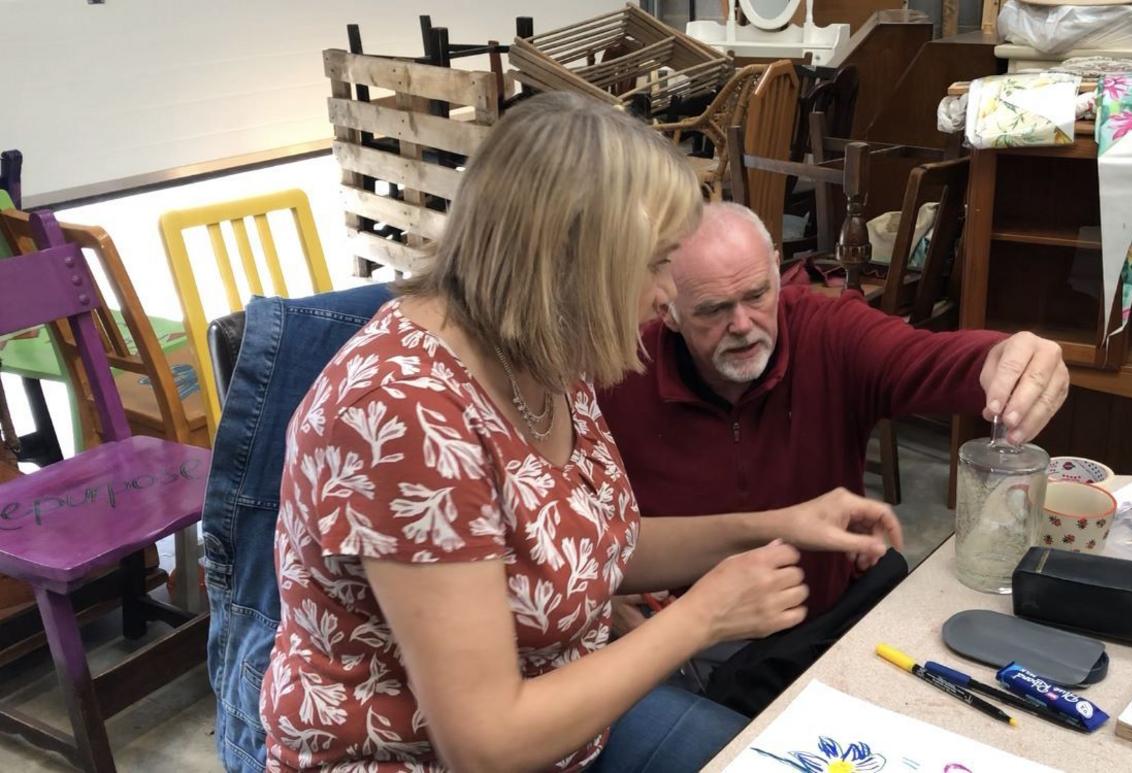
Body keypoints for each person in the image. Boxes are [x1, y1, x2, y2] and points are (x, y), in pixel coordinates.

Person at [259, 93, 902, 772]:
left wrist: (782, 520)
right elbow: (485, 742)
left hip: (570, 731)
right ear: (573, 263)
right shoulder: (404, 418)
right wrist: (701, 617)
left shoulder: (541, 354)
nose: (665, 295)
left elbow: (592, 545)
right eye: (656, 263)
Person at [599, 202, 1068, 627]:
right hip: (676, 641)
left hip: (819, 625)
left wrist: (1004, 357)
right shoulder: (616, 372)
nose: (742, 325)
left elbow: (924, 358)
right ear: (668, 310)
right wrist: (598, 596)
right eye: (713, 310)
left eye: (758, 295)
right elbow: (569, 528)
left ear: (776, 270)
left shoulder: (828, 333)